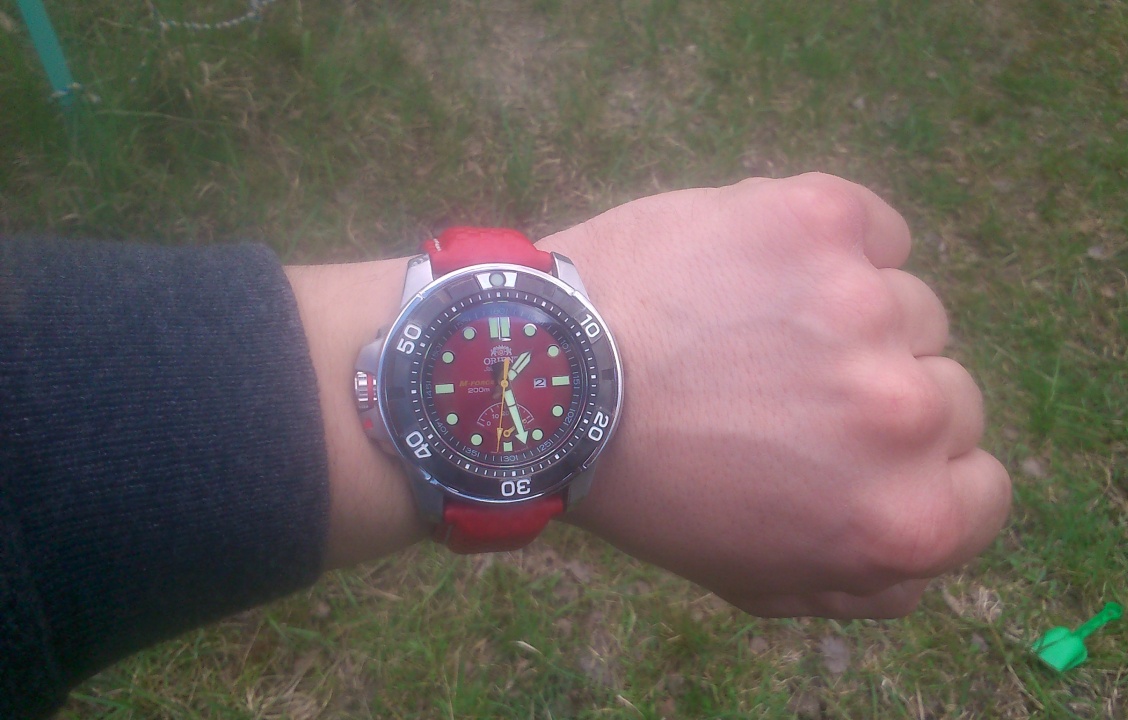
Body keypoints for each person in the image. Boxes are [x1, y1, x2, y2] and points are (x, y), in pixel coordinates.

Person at [0, 173, 1011, 718]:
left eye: (510, 373)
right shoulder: (422, 377)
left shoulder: (491, 357)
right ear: (374, 382)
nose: (499, 383)